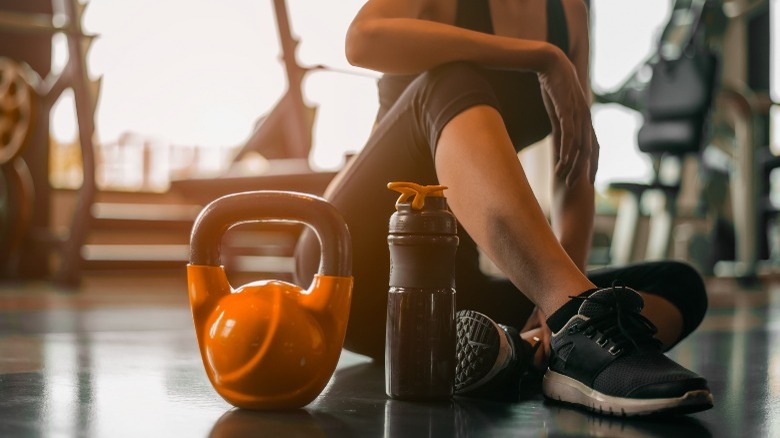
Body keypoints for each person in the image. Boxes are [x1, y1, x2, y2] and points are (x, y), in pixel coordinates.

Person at [295, 0, 713, 416]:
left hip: (455, 293)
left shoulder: (569, 13)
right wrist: (542, 56)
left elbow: (575, 157)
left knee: (678, 284)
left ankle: (524, 349)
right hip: (355, 267)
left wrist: (557, 305)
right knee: (452, 74)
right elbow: (362, 40)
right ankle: (567, 326)